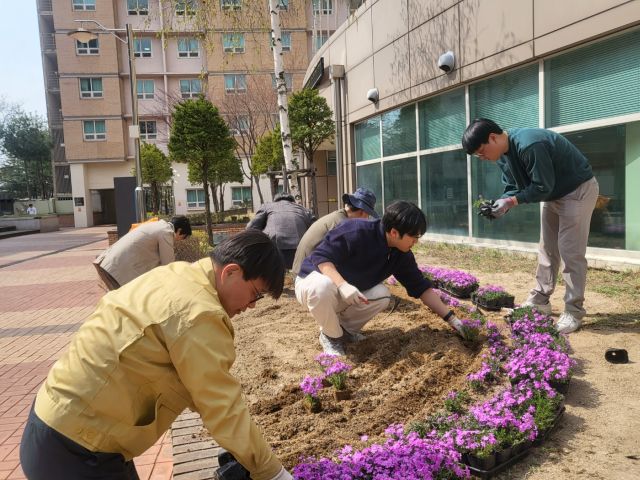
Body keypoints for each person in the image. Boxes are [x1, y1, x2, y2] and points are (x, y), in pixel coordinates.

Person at [20, 230, 293, 480]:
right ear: (231, 272)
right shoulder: (199, 313)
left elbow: (204, 390)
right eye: (255, 294)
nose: (251, 306)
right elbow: (222, 409)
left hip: (56, 423)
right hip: (79, 451)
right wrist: (273, 473)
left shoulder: (177, 274)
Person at [461, 118, 599, 334]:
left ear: (493, 138)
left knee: (570, 251)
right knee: (548, 248)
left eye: (481, 152)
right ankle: (540, 300)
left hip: (577, 190)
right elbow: (513, 186)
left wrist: (511, 202)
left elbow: (543, 186)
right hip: (554, 194)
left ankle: (574, 311)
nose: (482, 157)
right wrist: (501, 203)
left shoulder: (529, 144)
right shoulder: (502, 155)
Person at [295, 200, 464, 356]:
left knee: (382, 295)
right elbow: (321, 258)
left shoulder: (401, 254)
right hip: (312, 283)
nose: (416, 242)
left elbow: (420, 287)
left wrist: (452, 319)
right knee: (323, 287)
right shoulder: (355, 231)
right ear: (394, 232)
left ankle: (344, 331)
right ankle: (331, 336)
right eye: (413, 237)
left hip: (347, 293)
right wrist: (342, 285)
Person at [291, 187, 378, 276]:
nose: (367, 219)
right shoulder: (343, 225)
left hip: (303, 270)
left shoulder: (338, 217)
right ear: (363, 212)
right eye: (368, 215)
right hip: (307, 275)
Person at [93, 215, 192, 290]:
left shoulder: (157, 225)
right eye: (182, 237)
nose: (179, 240)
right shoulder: (166, 232)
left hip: (108, 263)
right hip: (116, 270)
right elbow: (168, 266)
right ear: (179, 231)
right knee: (123, 304)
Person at [246, 193, 315, 269]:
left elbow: (251, 227)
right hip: (300, 249)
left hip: (274, 249)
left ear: (275, 200)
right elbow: (315, 229)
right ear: (293, 201)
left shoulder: (267, 206)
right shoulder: (304, 209)